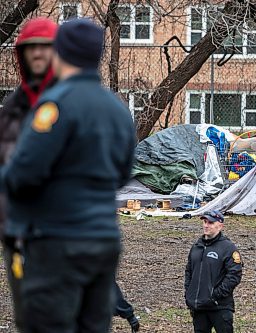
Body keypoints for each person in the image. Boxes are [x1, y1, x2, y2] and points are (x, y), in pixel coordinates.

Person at [0, 18, 136, 332]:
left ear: (61, 53)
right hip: (104, 239)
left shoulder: (55, 105)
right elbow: (123, 173)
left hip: (57, 240)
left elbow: (23, 173)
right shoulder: (117, 108)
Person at [0, 17, 58, 330]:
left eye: (44, 47)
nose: (37, 53)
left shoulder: (74, 101)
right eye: (30, 48)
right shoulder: (13, 108)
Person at [185, 210, 243, 333]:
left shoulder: (228, 248)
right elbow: (189, 271)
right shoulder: (197, 246)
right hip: (199, 306)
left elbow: (234, 275)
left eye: (210, 222)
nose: (206, 225)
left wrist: (215, 294)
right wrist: (189, 292)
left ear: (220, 226)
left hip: (219, 307)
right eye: (205, 222)